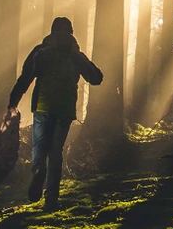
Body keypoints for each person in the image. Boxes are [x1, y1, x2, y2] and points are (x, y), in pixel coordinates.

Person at [7, 16, 103, 208]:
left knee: (40, 147)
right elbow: (96, 78)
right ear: (71, 33)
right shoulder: (76, 55)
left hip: (43, 105)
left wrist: (12, 103)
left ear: (52, 32)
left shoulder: (40, 52)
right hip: (65, 108)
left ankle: (38, 170)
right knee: (56, 151)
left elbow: (25, 78)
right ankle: (51, 199)